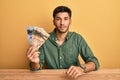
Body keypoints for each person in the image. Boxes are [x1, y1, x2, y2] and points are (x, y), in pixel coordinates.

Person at [26, 6, 100, 79]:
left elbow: (94, 62)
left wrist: (81, 68)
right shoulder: (43, 40)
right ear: (54, 22)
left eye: (65, 19)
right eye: (58, 19)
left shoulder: (77, 38)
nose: (62, 23)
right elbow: (36, 69)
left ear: (70, 21)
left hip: (74, 78)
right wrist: (35, 62)